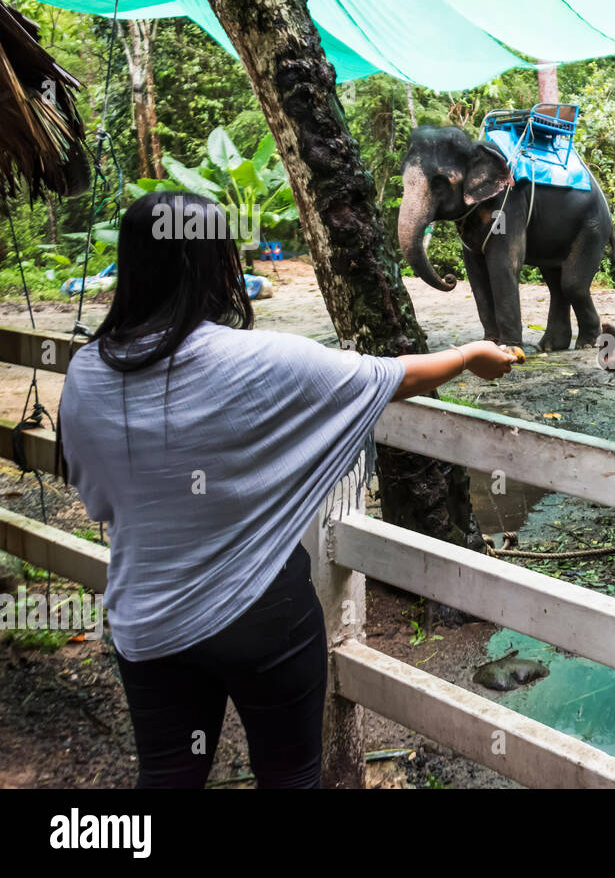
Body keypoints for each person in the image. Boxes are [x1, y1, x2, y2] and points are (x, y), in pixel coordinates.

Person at [57, 191, 519, 788]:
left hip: (149, 622)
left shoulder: (89, 371)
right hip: (261, 617)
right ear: (220, 264)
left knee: (168, 775)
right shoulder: (264, 360)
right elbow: (390, 374)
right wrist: (466, 355)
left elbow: (98, 500)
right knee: (290, 777)